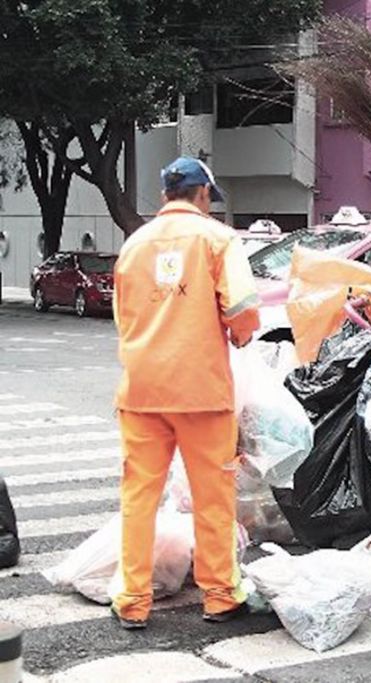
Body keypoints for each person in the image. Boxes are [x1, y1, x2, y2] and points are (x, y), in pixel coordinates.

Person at [110, 157, 260, 629]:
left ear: (164, 196)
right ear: (202, 196)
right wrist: (239, 335)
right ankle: (219, 597)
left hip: (141, 391)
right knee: (212, 497)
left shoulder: (134, 246)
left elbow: (122, 317)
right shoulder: (218, 240)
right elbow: (242, 314)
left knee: (139, 497)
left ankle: (132, 601)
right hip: (201, 393)